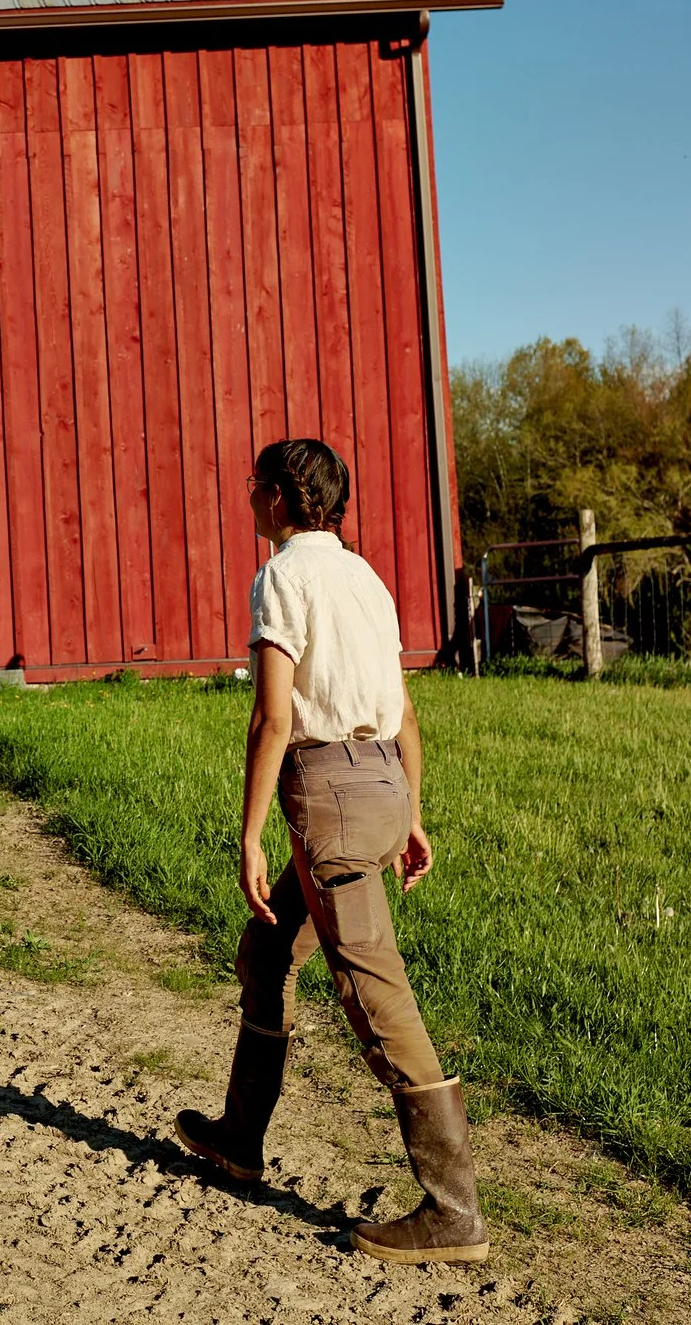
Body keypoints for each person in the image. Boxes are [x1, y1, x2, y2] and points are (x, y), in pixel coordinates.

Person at [175, 437, 488, 1265]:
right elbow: (406, 711)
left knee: (375, 993)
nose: (249, 500)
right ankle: (240, 1136)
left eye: (255, 487)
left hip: (333, 802)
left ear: (281, 498)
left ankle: (453, 1210)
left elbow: (274, 718)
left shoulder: (283, 575)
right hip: (383, 785)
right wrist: (411, 815)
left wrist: (247, 833)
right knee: (269, 948)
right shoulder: (366, 577)